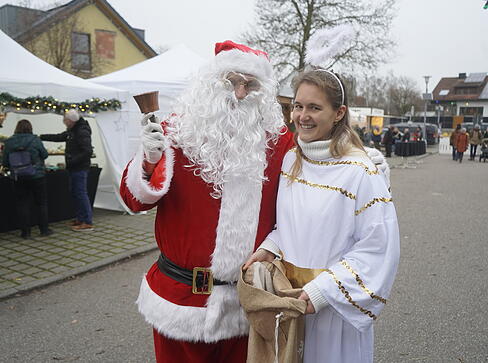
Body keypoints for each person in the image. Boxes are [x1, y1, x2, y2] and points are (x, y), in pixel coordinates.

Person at [119, 41, 389, 363]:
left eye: (252, 85)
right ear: (211, 83)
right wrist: (148, 161)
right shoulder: (176, 134)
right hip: (179, 302)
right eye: (232, 82)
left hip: (247, 306)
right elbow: (134, 201)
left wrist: (356, 157)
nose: (242, 93)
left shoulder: (281, 145)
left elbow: (320, 169)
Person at [243, 67, 399, 363]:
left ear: (339, 113)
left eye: (315, 107)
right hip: (287, 300)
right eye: (298, 106)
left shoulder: (361, 172)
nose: (303, 116)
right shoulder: (291, 160)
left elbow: (377, 247)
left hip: (332, 309)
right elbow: (292, 223)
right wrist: (269, 247)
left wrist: (323, 291)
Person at [40, 109, 94, 231]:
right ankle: (80, 218)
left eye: (65, 120)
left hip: (79, 168)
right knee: (76, 194)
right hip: (74, 168)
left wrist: (72, 160)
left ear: (71, 121)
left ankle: (87, 221)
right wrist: (41, 137)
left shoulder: (81, 131)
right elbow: (59, 137)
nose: (64, 122)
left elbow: (87, 151)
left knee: (81, 194)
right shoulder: (73, 130)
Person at [2, 119, 53, 238]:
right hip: (37, 175)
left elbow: (5, 161)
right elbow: (45, 154)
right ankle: (44, 230)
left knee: (22, 204)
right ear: (30, 128)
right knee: (41, 203)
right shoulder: (35, 140)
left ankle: (25, 232)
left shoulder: (9, 142)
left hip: (18, 177)